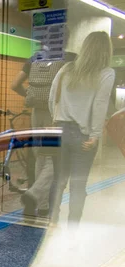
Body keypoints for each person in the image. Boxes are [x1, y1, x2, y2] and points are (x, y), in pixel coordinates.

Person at [48, 31, 115, 228]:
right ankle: (72, 230)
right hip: (82, 135)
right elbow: (100, 104)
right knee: (78, 186)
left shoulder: (67, 68)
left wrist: (55, 118)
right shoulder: (106, 73)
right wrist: (95, 135)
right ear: (106, 50)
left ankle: (51, 224)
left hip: (59, 131)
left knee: (58, 181)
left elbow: (53, 97)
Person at [11, 36, 77, 217]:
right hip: (54, 113)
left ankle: (42, 205)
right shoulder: (69, 59)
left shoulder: (34, 58)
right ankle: (34, 194)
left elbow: (14, 85)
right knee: (52, 159)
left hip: (36, 112)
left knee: (39, 156)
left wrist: (29, 97)